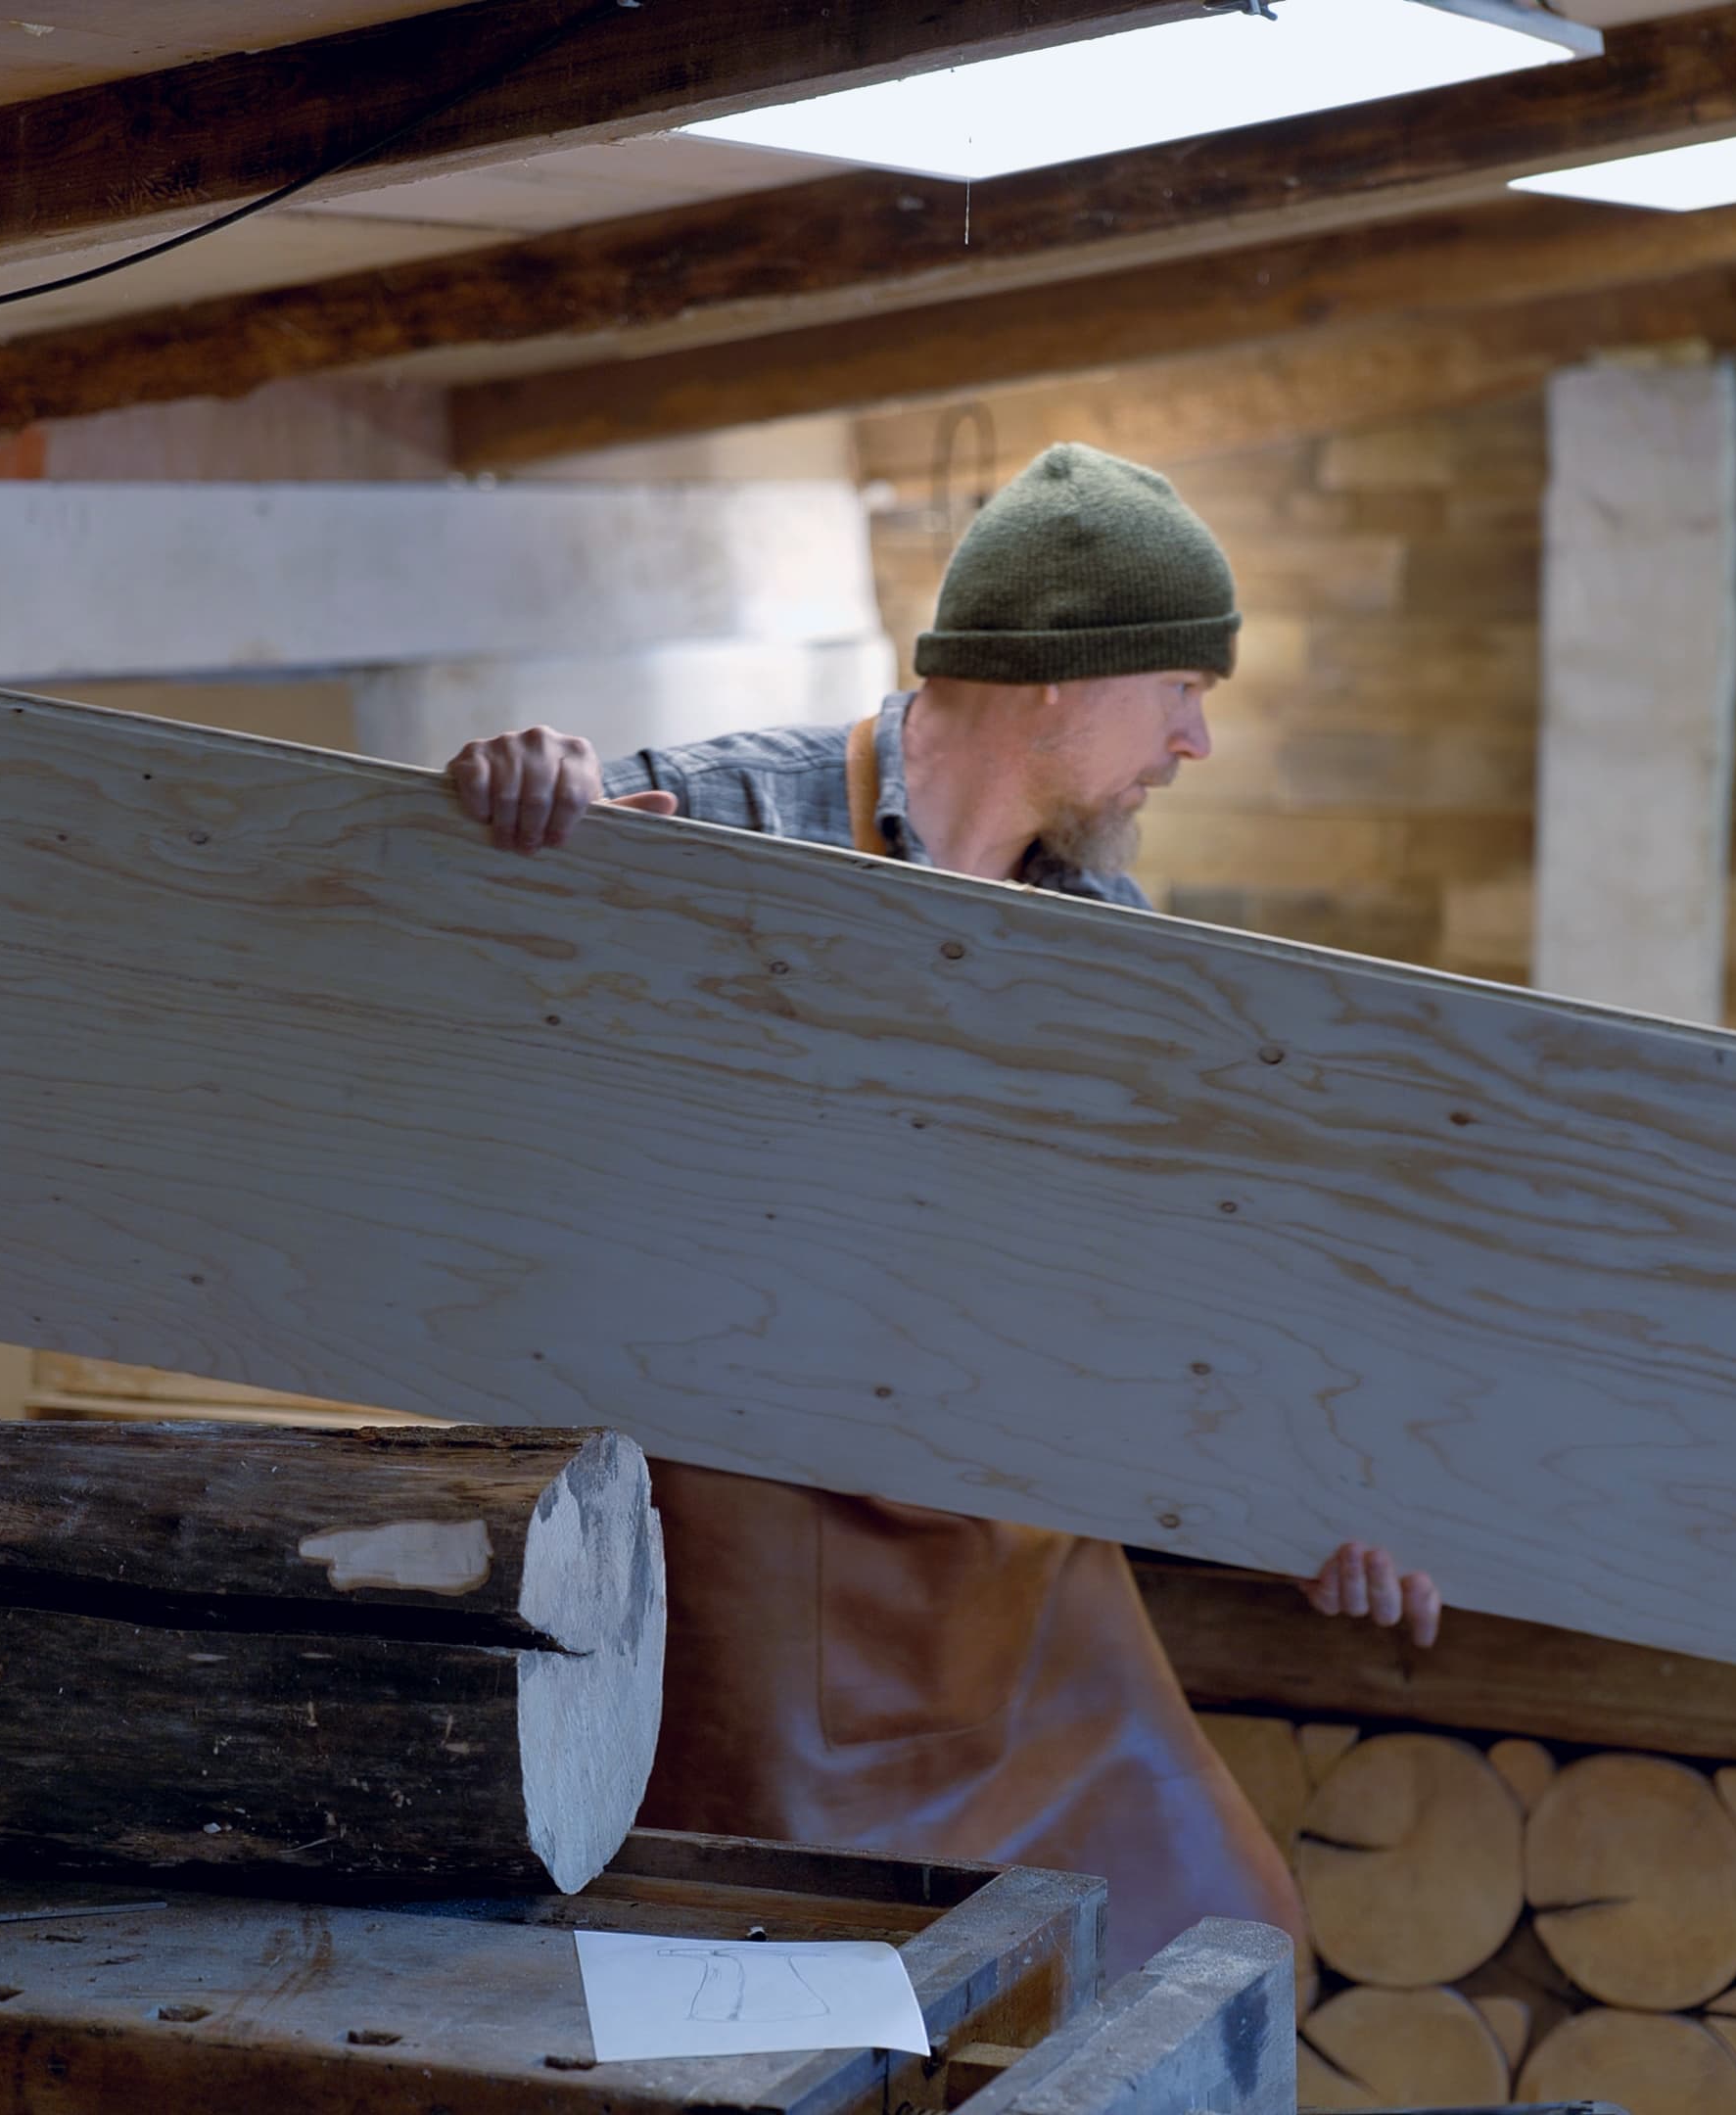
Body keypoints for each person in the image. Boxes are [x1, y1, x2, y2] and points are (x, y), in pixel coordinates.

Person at [450, 442, 1441, 1969]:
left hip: (1016, 1609)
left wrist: (1312, 1484)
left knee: (1224, 1934)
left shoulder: (1112, 944)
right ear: (1057, 681)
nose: (1196, 740)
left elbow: (1193, 1270)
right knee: (771, 1998)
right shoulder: (722, 824)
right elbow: (485, 1071)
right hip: (761, 1604)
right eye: (1183, 686)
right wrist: (514, 825)